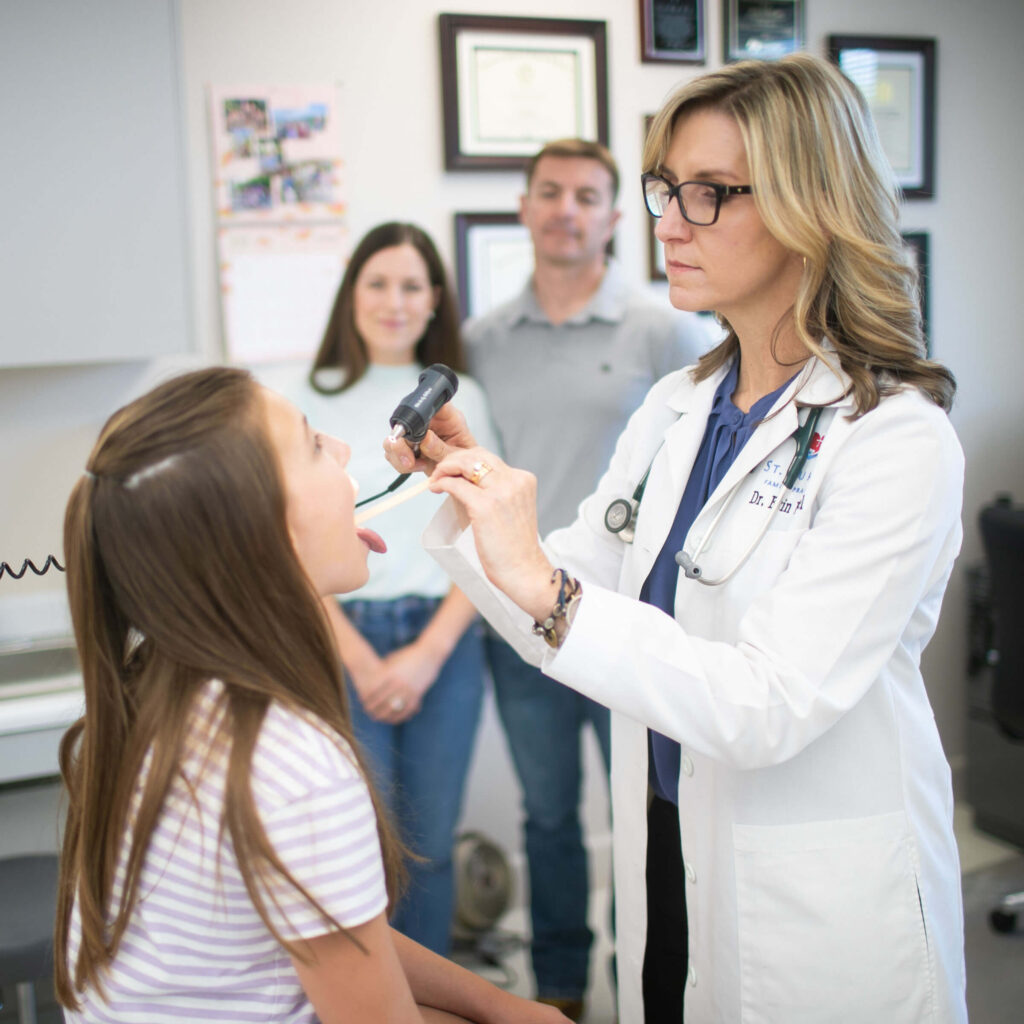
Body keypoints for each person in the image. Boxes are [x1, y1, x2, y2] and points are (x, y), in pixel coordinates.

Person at [387, 54, 968, 1023]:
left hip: (806, 885)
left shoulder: (897, 439)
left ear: (806, 204)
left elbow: (764, 703)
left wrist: (549, 588)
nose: (667, 220)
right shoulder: (678, 404)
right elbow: (565, 595)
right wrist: (476, 500)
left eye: (708, 194)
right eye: (666, 189)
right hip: (669, 839)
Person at [54, 367, 568, 1024]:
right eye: (312, 445)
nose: (347, 450)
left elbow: (341, 938)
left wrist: (499, 1006)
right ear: (255, 529)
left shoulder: (160, 688)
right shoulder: (289, 763)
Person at [461, 137, 711, 1019]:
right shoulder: (479, 342)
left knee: (650, 812)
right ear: (525, 208)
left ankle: (648, 978)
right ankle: (561, 992)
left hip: (629, 622)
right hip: (521, 621)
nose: (567, 209)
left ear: (614, 216)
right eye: (550, 192)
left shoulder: (666, 329)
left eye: (589, 196)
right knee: (549, 819)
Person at [262, 221, 498, 955]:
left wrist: (427, 655)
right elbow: (283, 549)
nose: (394, 301)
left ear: (434, 302)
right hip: (335, 641)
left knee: (426, 844)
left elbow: (488, 536)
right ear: (351, 293)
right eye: (378, 283)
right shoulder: (299, 401)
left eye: (412, 286)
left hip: (444, 644)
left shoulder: (464, 405)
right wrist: (363, 664)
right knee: (352, 849)